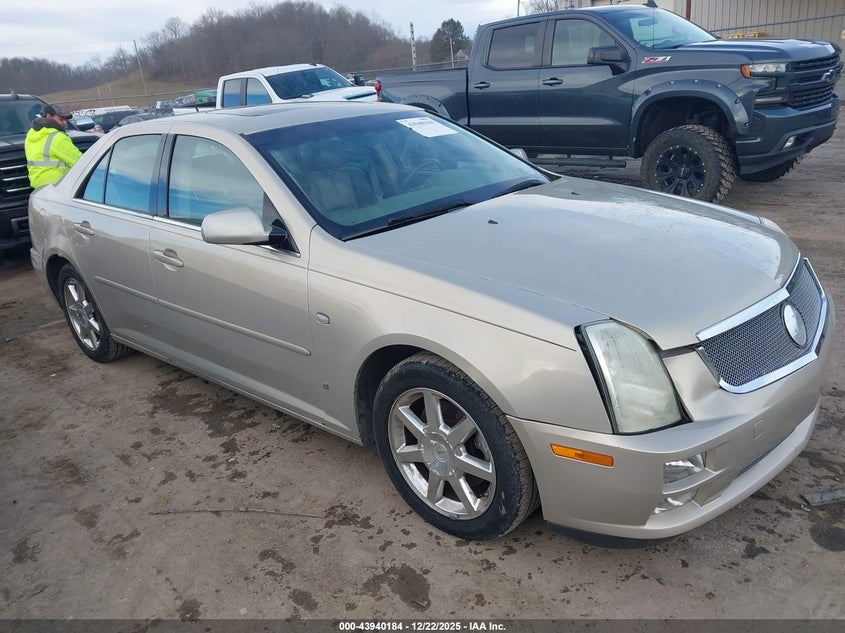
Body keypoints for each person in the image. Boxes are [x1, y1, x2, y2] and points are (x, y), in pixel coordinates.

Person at [25, 104, 83, 188]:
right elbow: (80, 162)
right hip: (58, 185)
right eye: (61, 119)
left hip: (39, 187)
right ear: (48, 116)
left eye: (65, 120)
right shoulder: (57, 137)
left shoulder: (30, 136)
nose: (64, 123)